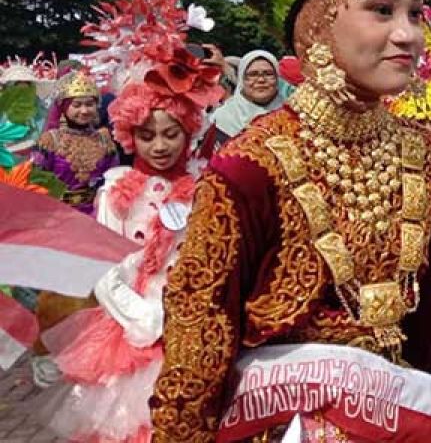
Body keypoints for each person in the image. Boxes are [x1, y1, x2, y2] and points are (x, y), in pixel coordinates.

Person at [151, 0, 431, 440]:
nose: (409, 34)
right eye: (382, 9)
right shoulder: (251, 166)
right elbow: (199, 335)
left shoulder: (424, 154)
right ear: (319, 23)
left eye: (416, 12)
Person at [41, 44, 222, 443]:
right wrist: (145, 319)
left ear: (189, 132)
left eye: (171, 134)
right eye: (147, 135)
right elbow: (105, 271)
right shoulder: (116, 191)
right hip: (136, 329)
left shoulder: (207, 186)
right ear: (129, 135)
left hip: (197, 322)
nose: (160, 146)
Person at [30, 72, 121, 215]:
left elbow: (114, 180)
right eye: (77, 105)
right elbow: (36, 183)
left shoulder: (104, 140)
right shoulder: (50, 141)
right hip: (58, 215)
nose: (84, 111)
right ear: (64, 108)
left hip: (97, 214)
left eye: (89, 104)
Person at [209, 50, 284, 144]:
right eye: (253, 74)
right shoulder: (221, 119)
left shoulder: (291, 116)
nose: (261, 80)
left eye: (268, 74)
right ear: (242, 79)